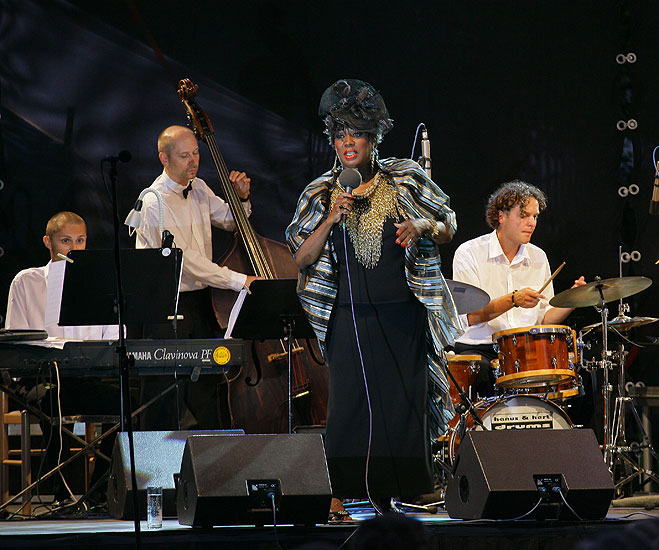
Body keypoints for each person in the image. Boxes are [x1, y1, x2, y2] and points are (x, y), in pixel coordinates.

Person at [286, 79, 462, 517]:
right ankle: (345, 491)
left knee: (404, 403)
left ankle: (407, 490)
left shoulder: (404, 177)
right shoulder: (320, 192)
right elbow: (302, 256)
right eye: (340, 134)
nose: (348, 142)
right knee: (349, 407)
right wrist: (331, 217)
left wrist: (421, 227)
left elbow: (448, 225)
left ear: (373, 138)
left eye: (356, 134)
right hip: (347, 317)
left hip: (403, 314)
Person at [131, 124, 258, 430]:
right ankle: (153, 476)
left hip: (202, 304)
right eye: (185, 155)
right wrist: (240, 281)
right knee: (163, 401)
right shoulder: (153, 203)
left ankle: (208, 471)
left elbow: (230, 221)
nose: (193, 161)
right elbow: (185, 262)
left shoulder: (199, 187)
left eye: (196, 153)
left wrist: (241, 199)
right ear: (164, 158)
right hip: (167, 309)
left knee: (207, 395)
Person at [5, 211, 120, 507]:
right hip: (40, 378)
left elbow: (114, 336)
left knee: (126, 407)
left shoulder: (100, 283)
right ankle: (60, 495)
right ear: (48, 241)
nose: (74, 248)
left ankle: (95, 493)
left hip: (85, 376)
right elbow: (15, 342)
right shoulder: (27, 281)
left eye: (80, 241)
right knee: (52, 404)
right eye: (66, 240)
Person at [451, 180, 585, 397]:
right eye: (524, 216)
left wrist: (573, 300)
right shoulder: (469, 253)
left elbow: (545, 319)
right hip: (480, 349)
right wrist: (513, 299)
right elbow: (472, 316)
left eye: (535, 217)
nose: (531, 223)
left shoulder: (538, 256)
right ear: (501, 216)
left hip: (525, 349)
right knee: (483, 376)